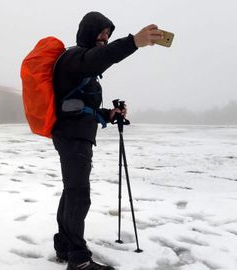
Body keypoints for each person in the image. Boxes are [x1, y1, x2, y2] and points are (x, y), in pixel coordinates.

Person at [51, 11, 163, 270]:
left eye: (108, 33)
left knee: (72, 192)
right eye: (101, 31)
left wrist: (108, 114)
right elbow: (101, 58)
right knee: (79, 195)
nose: (105, 36)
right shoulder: (76, 57)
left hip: (75, 134)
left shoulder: (80, 62)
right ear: (88, 32)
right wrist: (134, 41)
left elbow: (77, 105)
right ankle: (78, 260)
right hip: (73, 137)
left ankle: (65, 246)